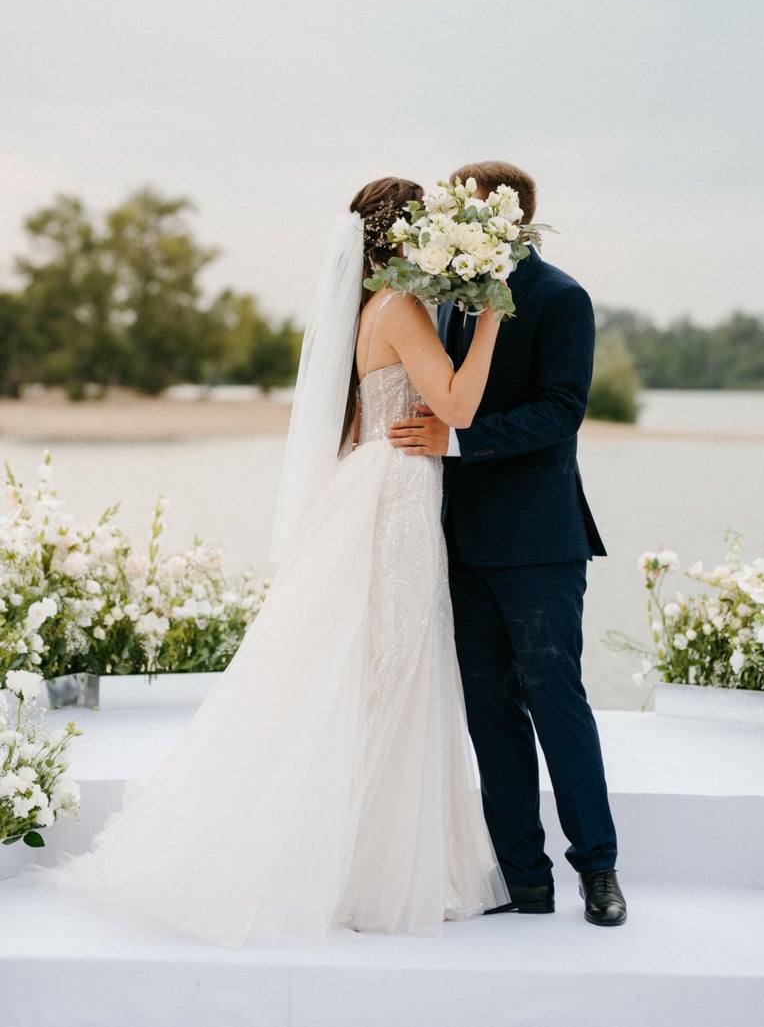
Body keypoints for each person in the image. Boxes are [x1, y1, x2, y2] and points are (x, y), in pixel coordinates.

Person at [57, 178, 509, 947]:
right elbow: (459, 406)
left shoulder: (375, 308)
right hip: (393, 501)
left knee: (383, 670)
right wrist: (493, 307)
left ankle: (385, 858)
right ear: (408, 237)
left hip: (380, 485)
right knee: (392, 673)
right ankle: (370, 872)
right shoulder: (399, 307)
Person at [388, 160, 627, 927]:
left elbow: (563, 410)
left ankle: (598, 870)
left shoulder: (562, 297)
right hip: (458, 543)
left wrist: (456, 443)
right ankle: (524, 879)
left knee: (558, 704)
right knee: (488, 712)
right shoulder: (448, 308)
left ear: (508, 219)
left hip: (538, 543)